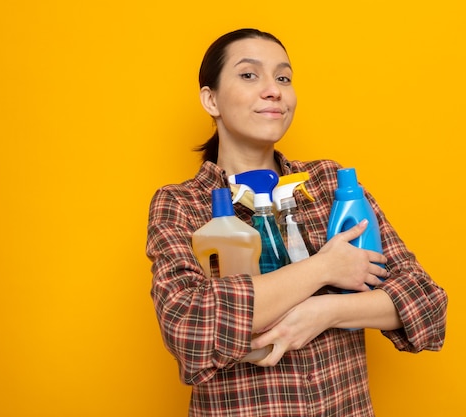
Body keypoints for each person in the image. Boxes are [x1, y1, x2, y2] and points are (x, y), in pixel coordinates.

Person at [147, 28, 448, 416]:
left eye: (283, 78)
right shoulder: (182, 205)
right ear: (211, 99)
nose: (273, 90)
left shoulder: (328, 185)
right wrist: (324, 269)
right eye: (249, 75)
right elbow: (190, 327)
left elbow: (425, 301)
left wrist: (325, 313)